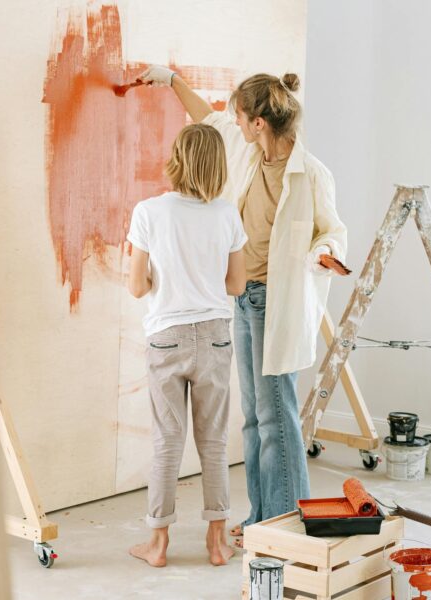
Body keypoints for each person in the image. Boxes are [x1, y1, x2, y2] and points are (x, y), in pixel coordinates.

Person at [140, 65, 347, 545]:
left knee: (277, 413)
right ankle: (262, 516)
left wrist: (326, 254)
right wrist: (171, 81)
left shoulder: (311, 174)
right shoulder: (247, 150)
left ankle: (284, 521)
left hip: (279, 302)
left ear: (259, 122)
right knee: (254, 419)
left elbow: (332, 230)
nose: (232, 121)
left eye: (240, 115)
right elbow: (206, 118)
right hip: (244, 298)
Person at [126, 123, 248, 567]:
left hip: (166, 337)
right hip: (214, 334)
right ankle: (217, 543)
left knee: (167, 441)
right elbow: (236, 284)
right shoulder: (227, 214)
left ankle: (157, 545)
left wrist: (165, 277)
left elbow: (137, 286)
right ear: (218, 165)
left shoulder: (149, 211)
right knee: (213, 443)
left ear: (176, 158)